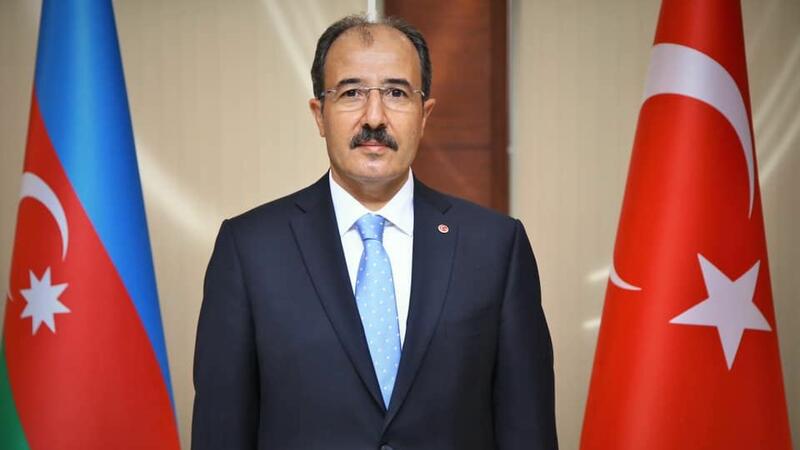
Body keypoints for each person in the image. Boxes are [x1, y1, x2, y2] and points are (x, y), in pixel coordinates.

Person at [192, 14, 557, 450]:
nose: (374, 117)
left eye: (397, 93)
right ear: (319, 115)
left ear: (424, 114)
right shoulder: (249, 250)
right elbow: (221, 431)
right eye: (351, 93)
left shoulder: (496, 248)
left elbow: (527, 430)